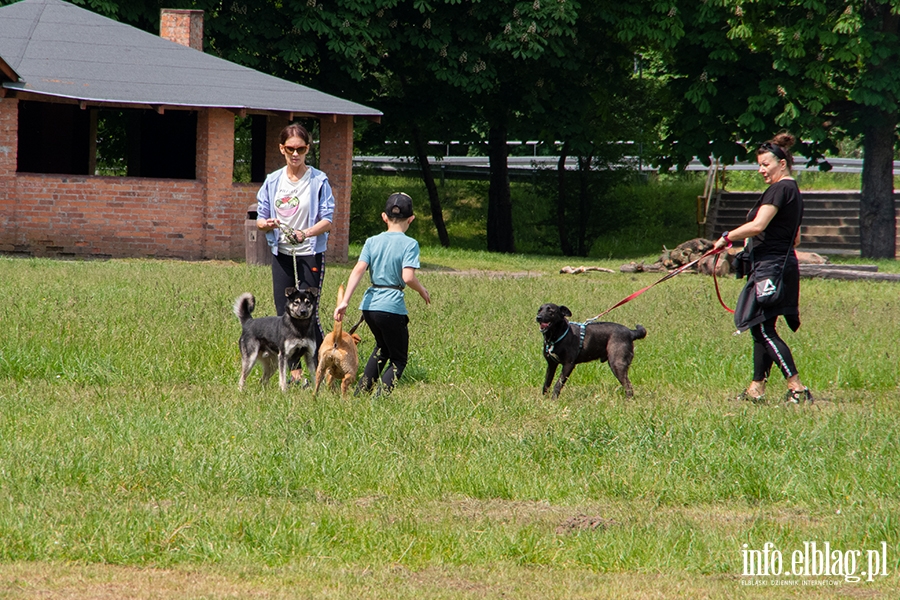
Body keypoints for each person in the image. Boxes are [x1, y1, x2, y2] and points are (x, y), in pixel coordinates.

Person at [713, 133, 813, 404]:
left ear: (782, 163)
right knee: (761, 325)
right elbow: (796, 239)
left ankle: (797, 388)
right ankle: (756, 389)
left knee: (763, 329)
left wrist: (726, 237)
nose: (761, 170)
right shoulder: (793, 191)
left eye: (765, 164)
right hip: (780, 265)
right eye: (759, 165)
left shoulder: (780, 189)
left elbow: (758, 225)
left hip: (771, 268)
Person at [256, 123, 334, 383]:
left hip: (309, 251)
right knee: (285, 312)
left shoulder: (318, 180)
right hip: (282, 253)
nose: (295, 154)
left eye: (300, 148)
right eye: (290, 149)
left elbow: (328, 219)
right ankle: (294, 372)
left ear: (307, 149)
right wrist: (265, 224)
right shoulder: (273, 181)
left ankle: (324, 366)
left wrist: (307, 233)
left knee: (309, 311)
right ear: (282, 149)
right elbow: (260, 216)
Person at [334, 192, 431, 394]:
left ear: (384, 217)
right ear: (411, 219)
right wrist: (422, 291)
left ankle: (361, 391)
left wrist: (344, 302)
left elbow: (358, 270)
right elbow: (408, 277)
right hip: (391, 307)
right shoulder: (410, 244)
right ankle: (380, 399)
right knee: (398, 359)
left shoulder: (371, 241)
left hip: (369, 306)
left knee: (383, 348)